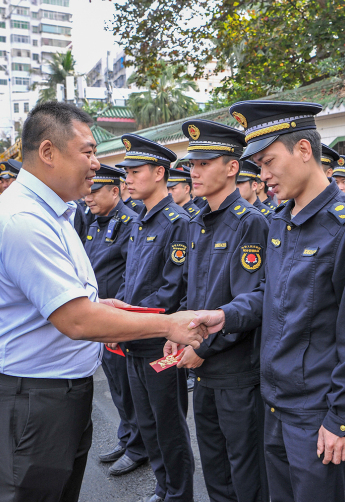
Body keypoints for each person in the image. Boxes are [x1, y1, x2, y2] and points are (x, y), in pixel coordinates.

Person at [0, 102, 206, 502]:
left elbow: (75, 301)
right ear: (48, 152)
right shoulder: (24, 219)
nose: (97, 164)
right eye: (88, 152)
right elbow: (76, 320)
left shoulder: (53, 213)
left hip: (50, 396)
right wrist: (168, 324)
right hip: (28, 402)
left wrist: (106, 307)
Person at [194, 100, 345, 502]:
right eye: (258, 166)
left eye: (268, 162)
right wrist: (222, 315)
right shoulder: (280, 221)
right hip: (274, 400)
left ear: (303, 150)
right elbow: (269, 295)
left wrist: (342, 417)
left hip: (316, 412)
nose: (262, 176)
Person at [169, 118, 270, 501]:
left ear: (232, 168)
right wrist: (175, 333)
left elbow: (249, 304)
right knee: (213, 465)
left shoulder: (251, 224)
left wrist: (201, 348)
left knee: (245, 469)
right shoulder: (197, 223)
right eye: (192, 164)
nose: (194, 171)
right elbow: (190, 292)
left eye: (204, 163)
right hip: (203, 369)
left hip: (236, 373)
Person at [115, 133, 194, 502]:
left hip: (159, 342)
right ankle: (163, 488)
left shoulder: (176, 222)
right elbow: (131, 282)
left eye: (135, 170)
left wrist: (125, 319)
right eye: (125, 171)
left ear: (160, 173)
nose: (127, 178)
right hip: (134, 339)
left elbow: (172, 290)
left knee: (168, 424)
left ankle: (178, 494)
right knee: (147, 422)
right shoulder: (140, 220)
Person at [82, 164, 149, 477]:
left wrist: (115, 319)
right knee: (117, 386)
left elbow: (131, 278)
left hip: (118, 320)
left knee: (129, 387)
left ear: (114, 190)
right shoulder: (95, 223)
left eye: (95, 191)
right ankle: (127, 438)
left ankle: (139, 447)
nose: (89, 197)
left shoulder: (130, 223)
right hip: (102, 321)